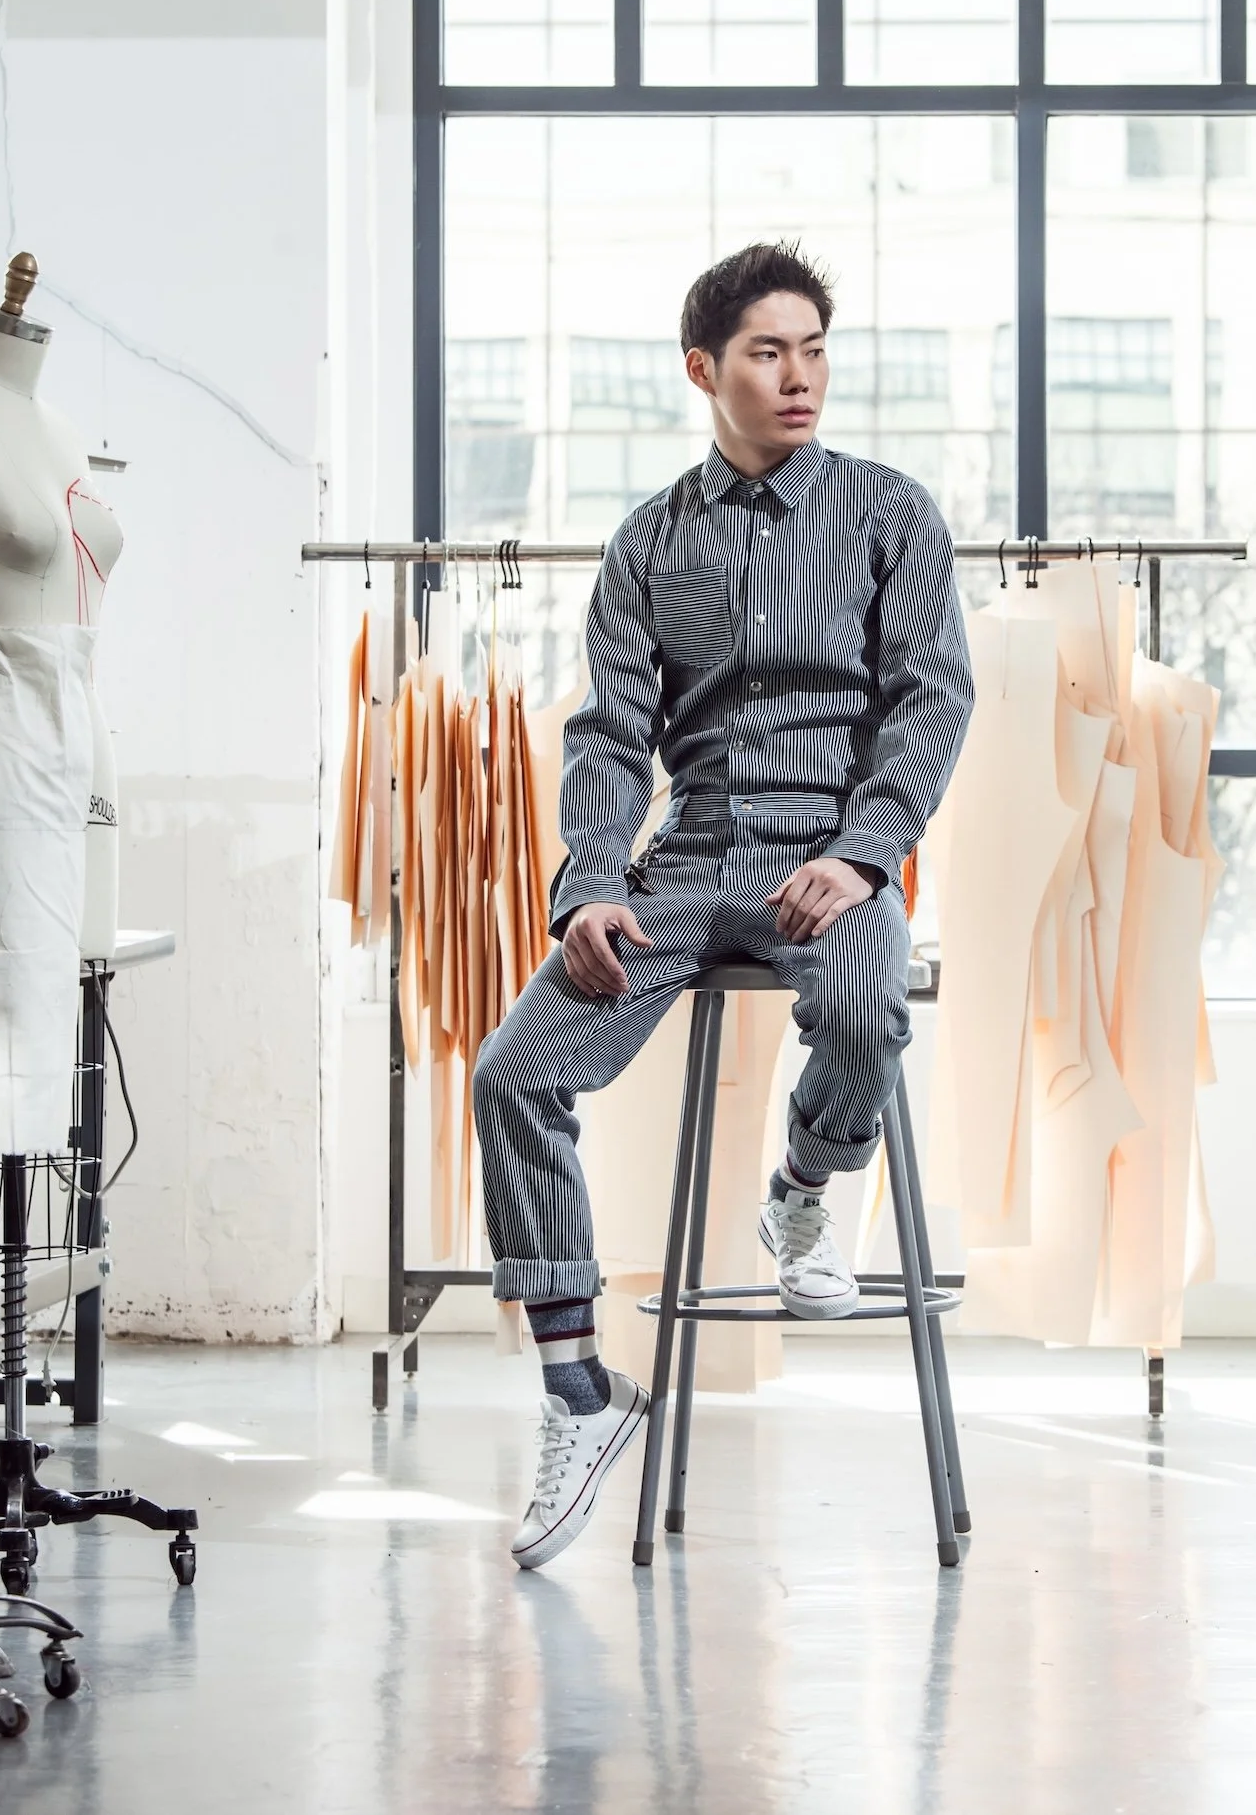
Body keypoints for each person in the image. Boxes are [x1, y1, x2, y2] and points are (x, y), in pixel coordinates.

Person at [473, 241, 975, 1569]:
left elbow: (932, 700)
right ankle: (581, 1393)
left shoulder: (889, 513)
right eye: (768, 352)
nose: (800, 375)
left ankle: (803, 1189)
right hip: (686, 862)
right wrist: (590, 884)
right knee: (512, 1071)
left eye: (815, 349)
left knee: (863, 1001)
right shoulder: (649, 540)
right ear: (704, 369)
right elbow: (608, 732)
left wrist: (865, 855)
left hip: (829, 852)